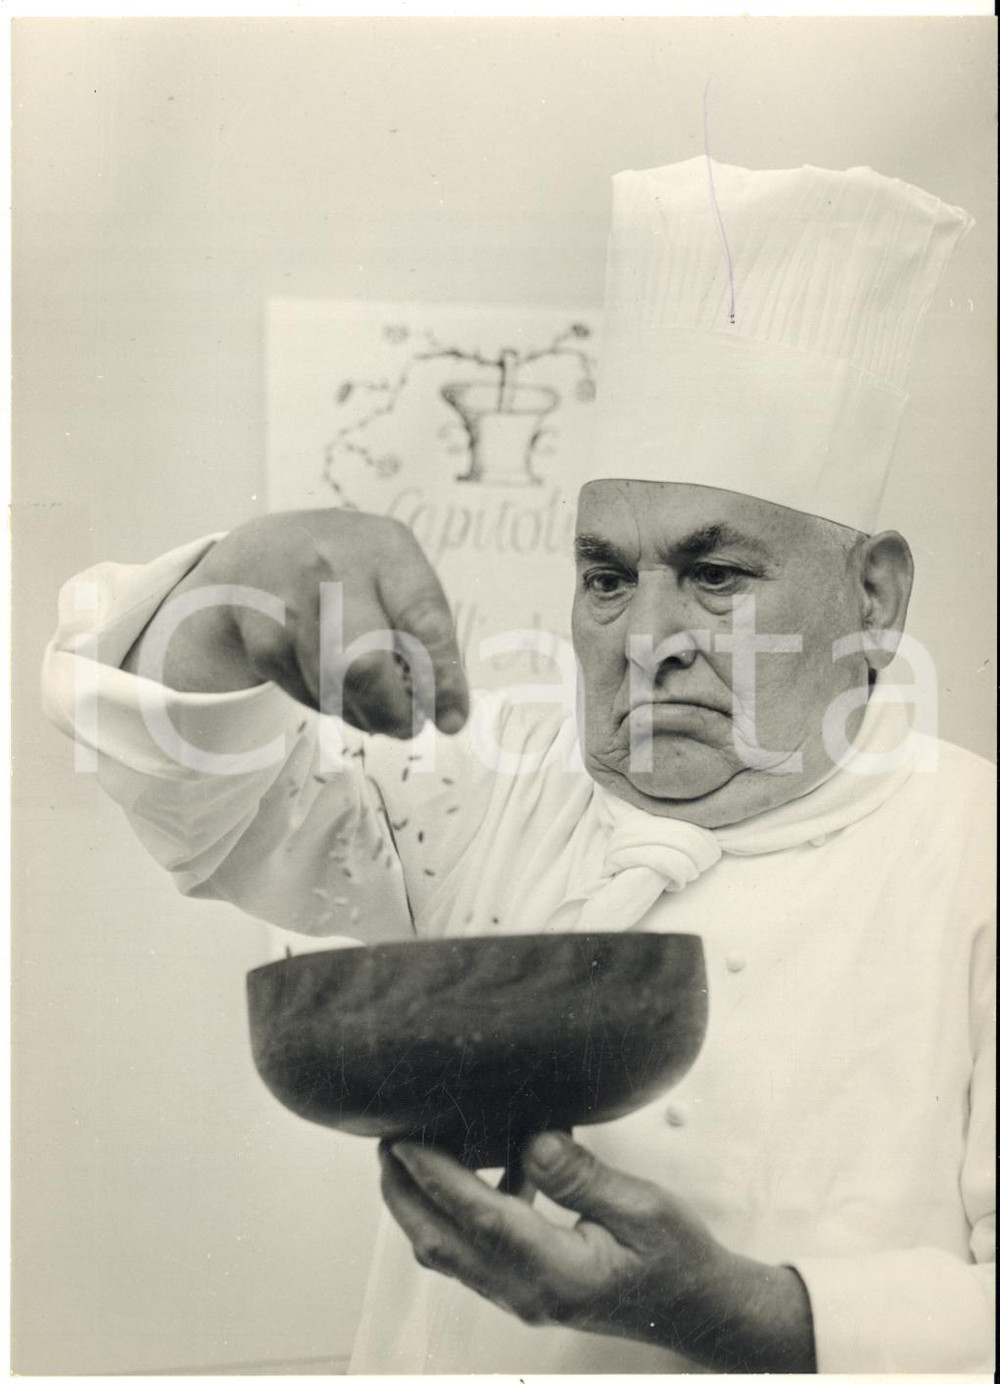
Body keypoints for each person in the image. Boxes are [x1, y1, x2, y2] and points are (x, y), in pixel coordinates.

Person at [42, 158, 994, 1374]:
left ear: (874, 596)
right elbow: (203, 798)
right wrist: (237, 591)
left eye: (715, 576)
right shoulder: (489, 777)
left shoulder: (975, 855)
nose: (646, 643)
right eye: (607, 578)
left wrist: (750, 1313)